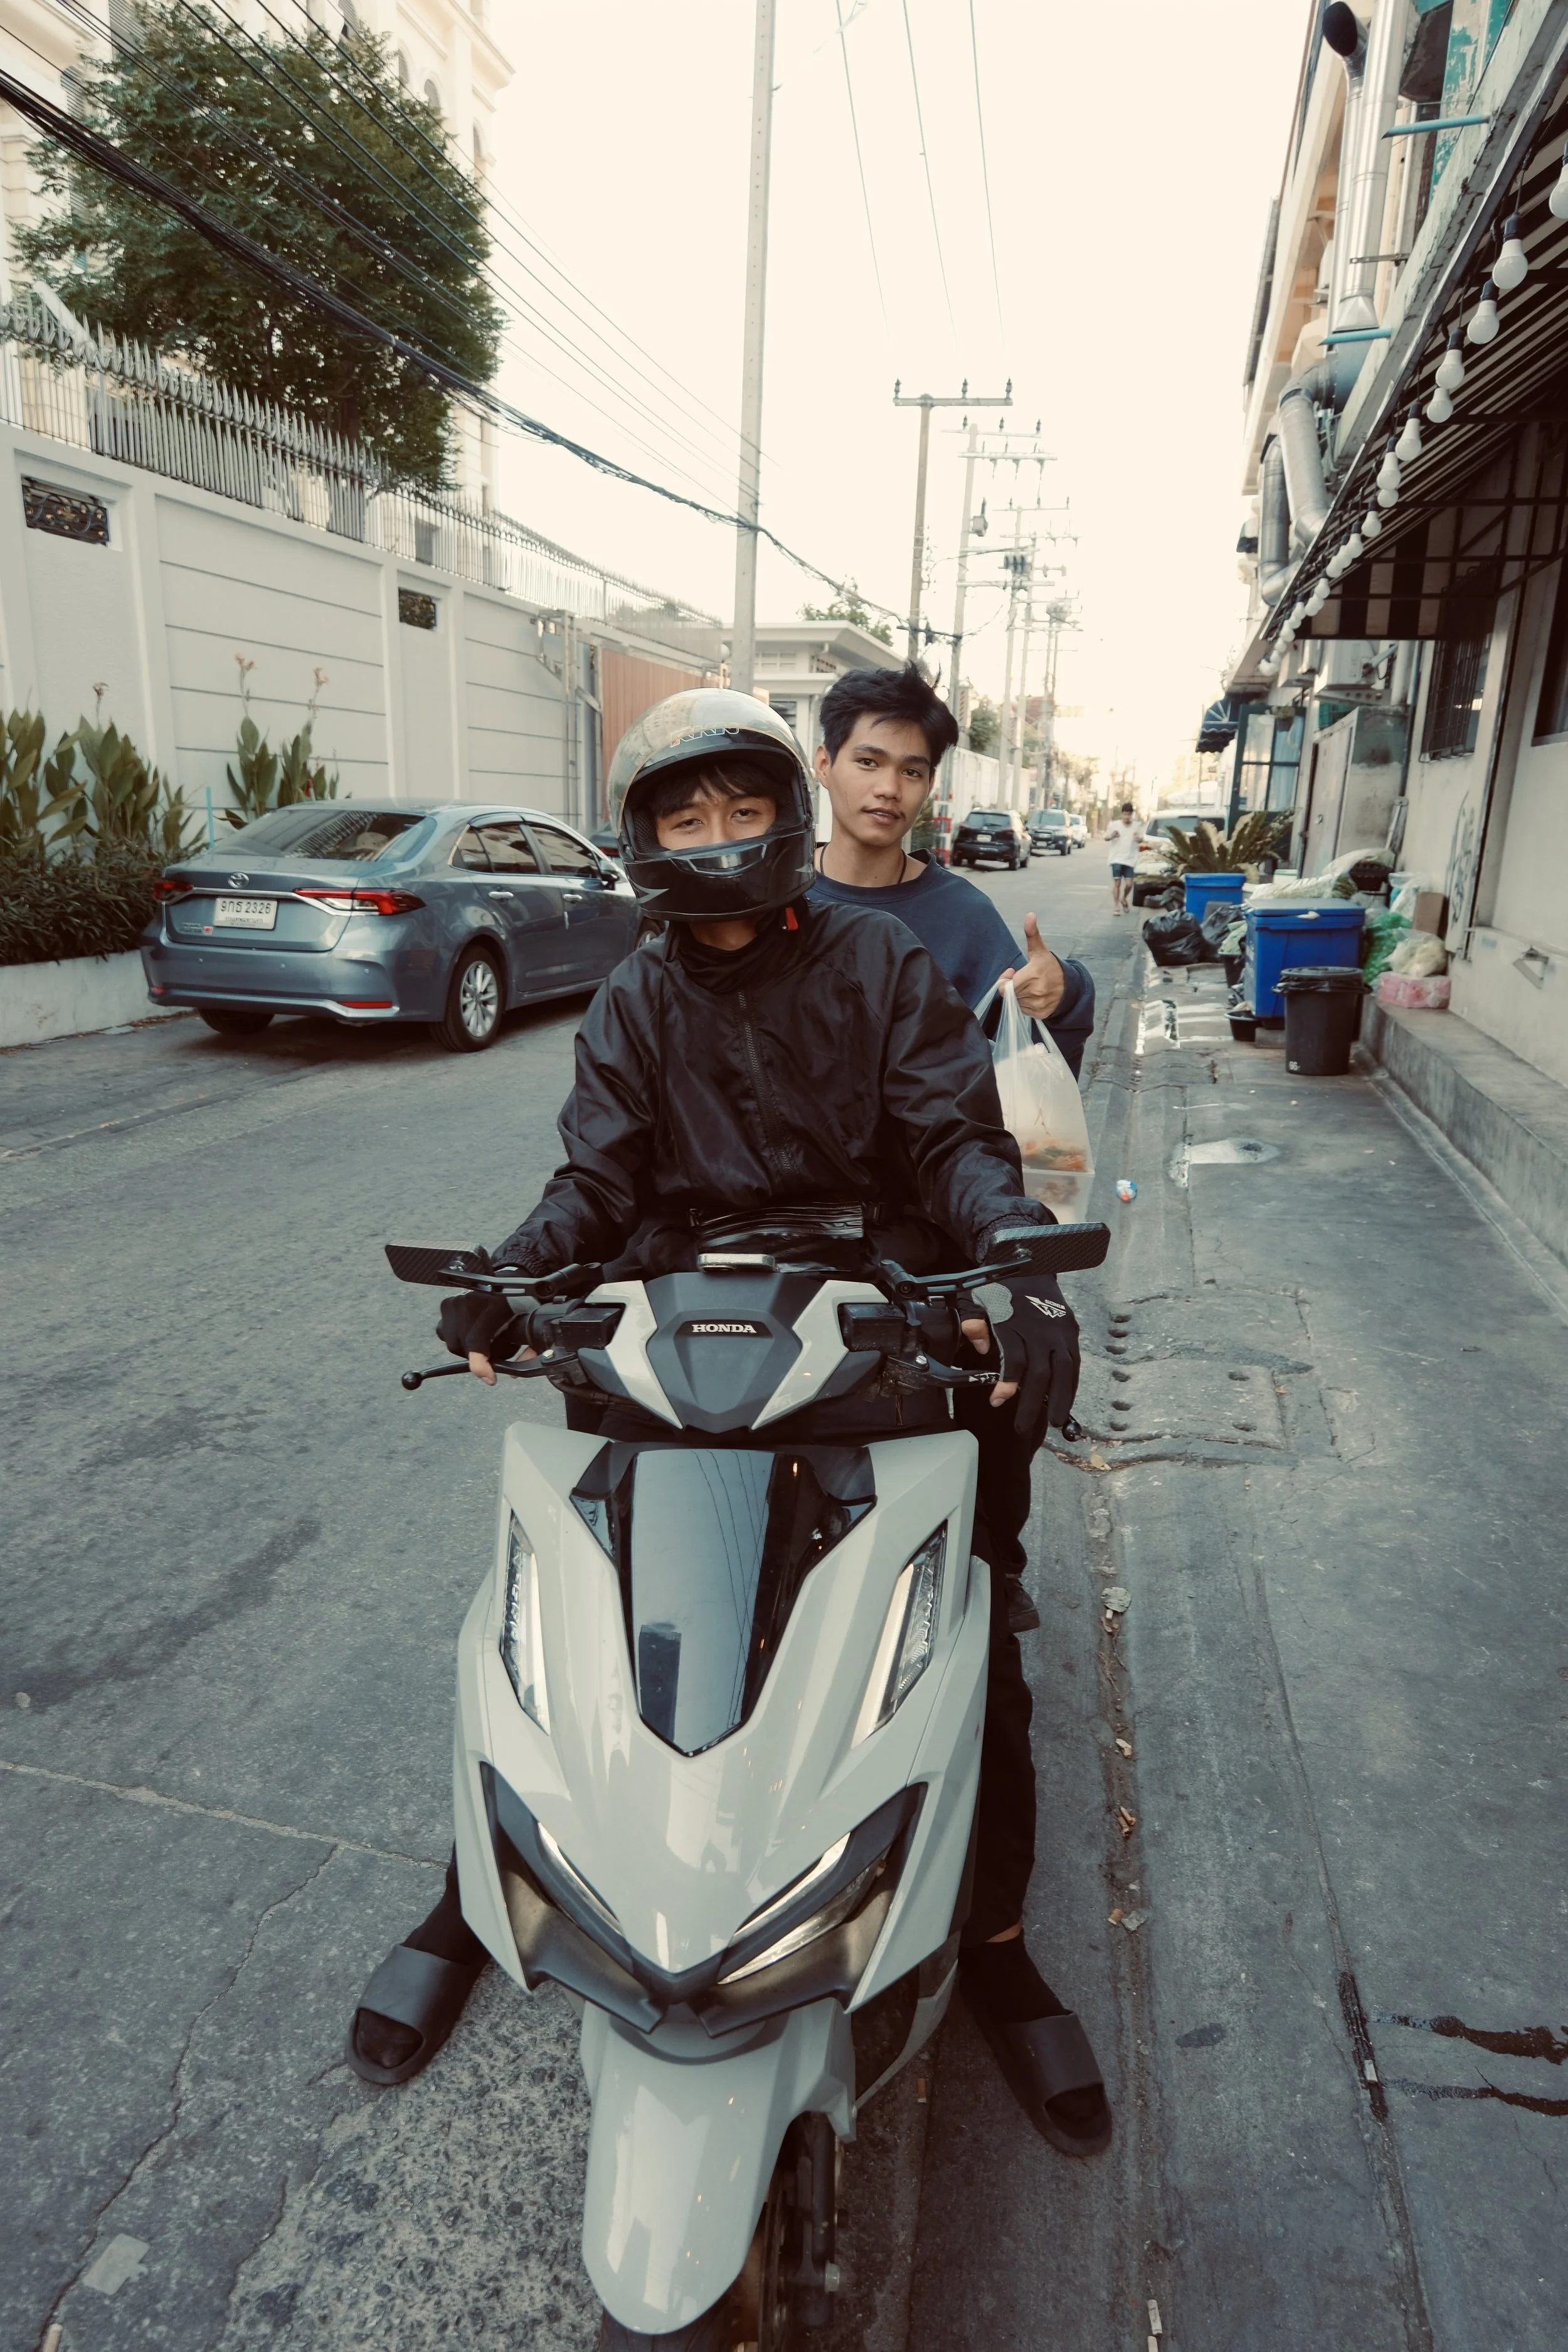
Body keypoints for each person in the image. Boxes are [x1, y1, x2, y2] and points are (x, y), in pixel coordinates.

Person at [346, 689, 1112, 2163]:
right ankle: (472, 1895)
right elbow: (597, 1176)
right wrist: (520, 1274)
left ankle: (996, 1938)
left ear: (783, 806)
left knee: (956, 1622)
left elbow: (955, 1145)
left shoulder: (884, 958)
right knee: (546, 1606)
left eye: (735, 808)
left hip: (865, 1308)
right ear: (643, 839)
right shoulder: (636, 992)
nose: (714, 839)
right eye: (679, 817)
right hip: (670, 1315)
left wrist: (1010, 1263)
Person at [807, 664, 1094, 1636]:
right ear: (827, 765)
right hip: (793, 1206)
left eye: (914, 770)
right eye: (870, 761)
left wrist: (1066, 988)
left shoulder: (963, 918)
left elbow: (1030, 1049)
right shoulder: (770, 905)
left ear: (933, 788)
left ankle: (991, 1556)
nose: (889, 788)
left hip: (938, 1201)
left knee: (999, 1366)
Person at [1105, 799, 1140, 914]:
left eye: (1129, 814)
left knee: (1129, 884)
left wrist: (1138, 839)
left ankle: (1124, 898)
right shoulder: (1115, 825)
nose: (1127, 817)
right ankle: (1116, 906)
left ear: (1132, 814)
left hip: (1131, 858)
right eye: (1125, 814)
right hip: (1117, 858)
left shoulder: (1137, 826)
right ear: (1122, 814)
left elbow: (1143, 839)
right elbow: (1106, 838)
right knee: (1117, 883)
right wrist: (1112, 836)